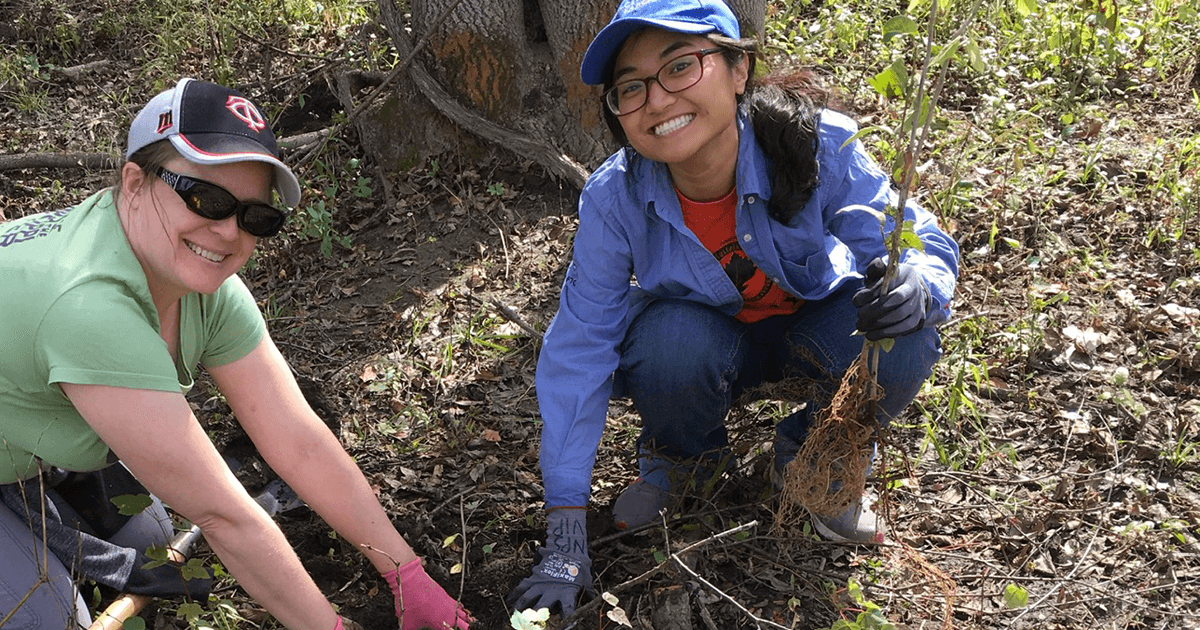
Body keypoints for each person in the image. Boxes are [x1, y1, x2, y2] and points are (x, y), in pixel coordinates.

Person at [510, 0, 960, 617]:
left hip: (815, 326)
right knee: (665, 340)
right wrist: (565, 528)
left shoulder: (813, 141)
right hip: (703, 345)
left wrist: (917, 281)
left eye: (680, 67)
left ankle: (815, 464)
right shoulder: (615, 197)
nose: (659, 101)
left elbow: (909, 234)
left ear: (738, 69)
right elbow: (580, 344)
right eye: (631, 88)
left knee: (904, 330)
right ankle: (686, 461)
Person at [0, 78, 472, 630]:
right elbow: (225, 516)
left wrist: (404, 572)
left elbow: (298, 443)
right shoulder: (89, 305)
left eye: (255, 217)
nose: (228, 231)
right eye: (206, 198)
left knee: (152, 544)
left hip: (32, 440)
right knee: (47, 619)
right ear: (134, 180)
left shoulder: (208, 291)